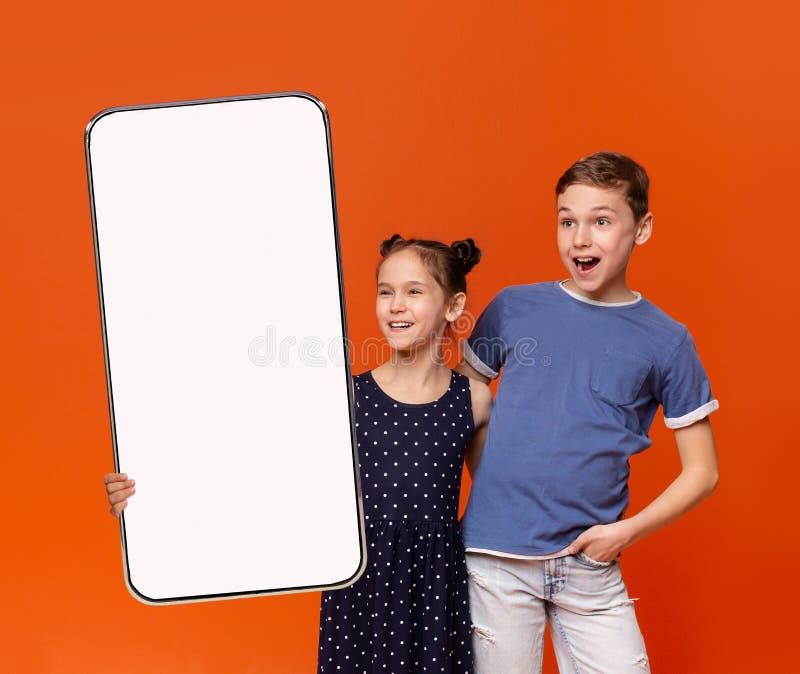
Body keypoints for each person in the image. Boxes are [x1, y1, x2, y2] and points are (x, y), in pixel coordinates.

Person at [104, 234, 493, 674]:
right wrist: (148, 497)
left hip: (437, 584)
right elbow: (256, 473)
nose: (396, 304)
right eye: (385, 292)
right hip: (361, 584)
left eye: (414, 291)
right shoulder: (346, 397)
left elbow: (497, 501)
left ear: (454, 306)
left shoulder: (474, 400)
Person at [456, 152, 719, 673]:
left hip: (589, 565)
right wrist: (493, 482)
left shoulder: (667, 341)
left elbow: (703, 472)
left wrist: (624, 533)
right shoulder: (514, 307)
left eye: (601, 221)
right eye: (567, 220)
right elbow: (466, 402)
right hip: (494, 561)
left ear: (641, 229)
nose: (580, 238)